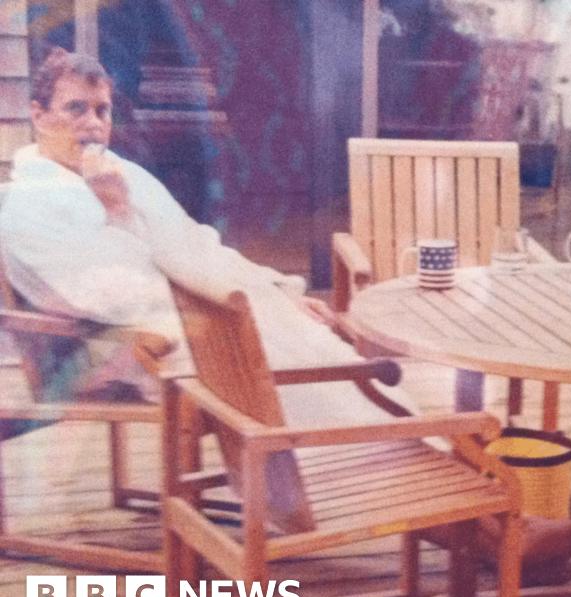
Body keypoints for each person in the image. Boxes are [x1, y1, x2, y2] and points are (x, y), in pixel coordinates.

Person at [0, 48, 418, 420]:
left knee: (309, 335)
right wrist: (118, 212)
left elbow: (195, 246)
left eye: (102, 110)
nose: (92, 124)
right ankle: (322, 486)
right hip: (123, 345)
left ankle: (402, 455)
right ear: (38, 115)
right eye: (76, 109)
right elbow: (108, 295)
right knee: (274, 356)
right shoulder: (26, 202)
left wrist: (275, 291)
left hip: (188, 317)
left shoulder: (123, 173)